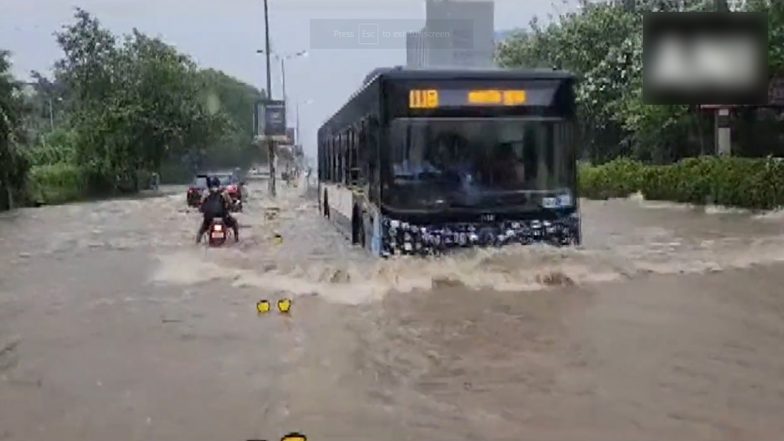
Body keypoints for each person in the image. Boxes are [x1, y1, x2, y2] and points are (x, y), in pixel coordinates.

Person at [196, 176, 239, 243]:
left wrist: (201, 209)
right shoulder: (224, 192)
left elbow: (201, 205)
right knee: (234, 223)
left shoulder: (206, 192)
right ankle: (236, 240)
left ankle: (197, 244)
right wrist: (233, 207)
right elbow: (230, 203)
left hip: (209, 218)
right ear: (219, 184)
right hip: (223, 217)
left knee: (200, 232)